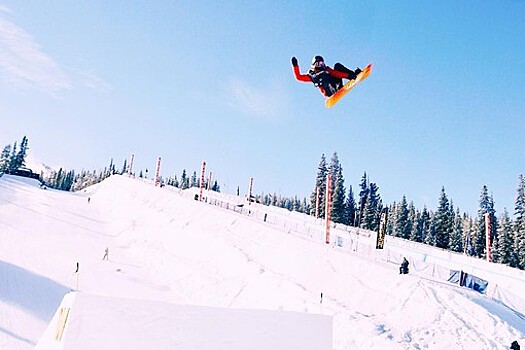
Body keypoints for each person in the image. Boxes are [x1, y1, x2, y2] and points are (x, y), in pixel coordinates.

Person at [291, 55, 361, 97]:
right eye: (318, 64)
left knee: (337, 66)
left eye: (322, 63)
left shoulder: (326, 69)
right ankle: (333, 90)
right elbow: (299, 77)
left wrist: (349, 75)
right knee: (323, 77)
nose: (321, 65)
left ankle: (353, 75)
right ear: (314, 65)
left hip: (335, 84)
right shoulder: (313, 76)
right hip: (328, 90)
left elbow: (335, 73)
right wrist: (295, 65)